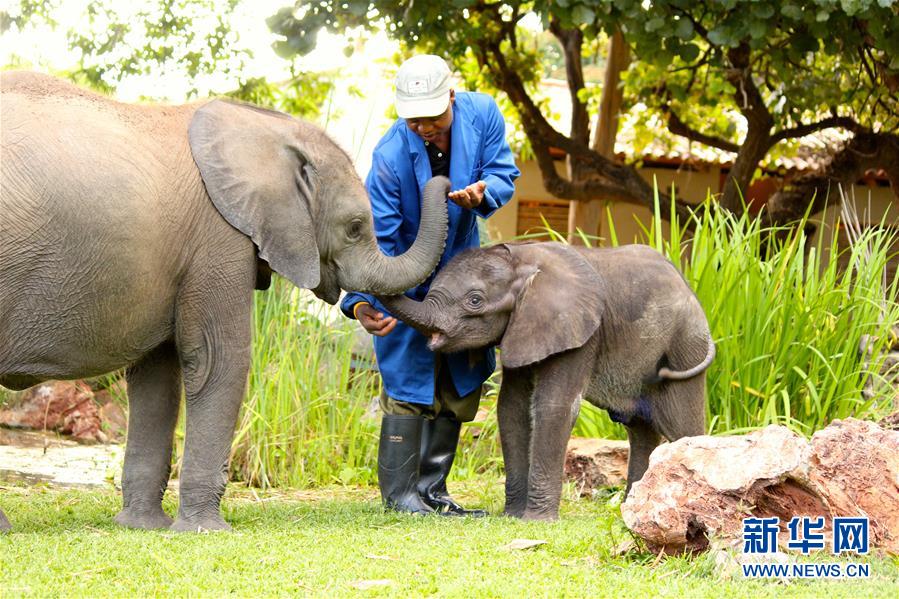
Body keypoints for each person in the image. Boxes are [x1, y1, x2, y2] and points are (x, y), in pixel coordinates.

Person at [341, 55, 520, 515]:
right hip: (405, 278)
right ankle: (401, 496)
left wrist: (485, 192)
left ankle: (434, 493)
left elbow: (503, 173)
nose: (423, 126)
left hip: (462, 279)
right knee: (407, 382)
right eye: (413, 118)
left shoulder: (483, 115)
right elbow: (374, 235)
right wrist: (362, 302)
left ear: (452, 99)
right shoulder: (389, 155)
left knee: (457, 384)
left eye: (433, 117)